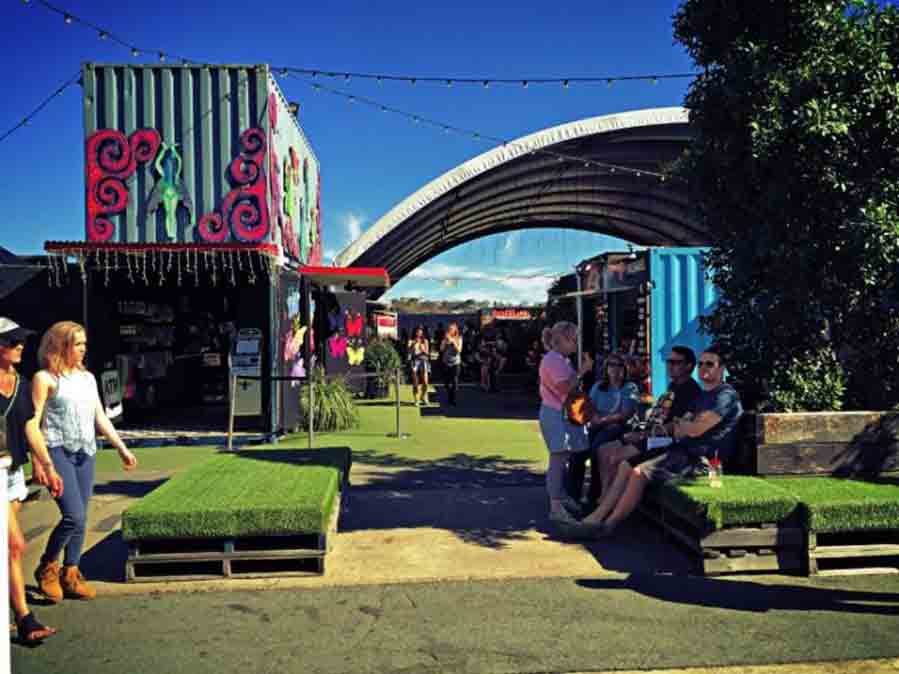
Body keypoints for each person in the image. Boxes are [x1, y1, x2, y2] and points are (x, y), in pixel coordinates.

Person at [575, 346, 742, 537]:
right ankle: (598, 516)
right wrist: (685, 424)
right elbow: (682, 426)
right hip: (682, 452)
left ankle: (607, 525)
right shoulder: (704, 395)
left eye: (710, 364)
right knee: (624, 465)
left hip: (706, 463)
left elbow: (694, 430)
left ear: (722, 368)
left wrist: (685, 425)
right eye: (702, 363)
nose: (703, 368)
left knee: (637, 471)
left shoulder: (724, 395)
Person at [33, 321, 138, 602]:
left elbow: (100, 417)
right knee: (74, 515)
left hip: (86, 451)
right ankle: (47, 566)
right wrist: (39, 463)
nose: (82, 349)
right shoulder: (45, 378)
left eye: (84, 345)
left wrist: (121, 448)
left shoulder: (88, 378)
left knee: (82, 517)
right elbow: (34, 422)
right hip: (57, 450)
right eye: (77, 344)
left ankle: (71, 573)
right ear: (60, 345)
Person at [0, 318, 63, 644]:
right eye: (12, 342)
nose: (20, 346)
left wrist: (47, 465)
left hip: (12, 473)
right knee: (13, 545)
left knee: (5, 550)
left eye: (21, 341)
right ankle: (24, 618)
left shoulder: (20, 384)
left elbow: (29, 428)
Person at [596, 345, 702, 497]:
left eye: (675, 362)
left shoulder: (691, 391)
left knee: (614, 457)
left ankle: (611, 500)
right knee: (603, 450)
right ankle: (605, 496)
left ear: (688, 366)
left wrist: (643, 434)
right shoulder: (674, 385)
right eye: (668, 361)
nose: (669, 366)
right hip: (650, 433)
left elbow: (676, 425)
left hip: (663, 441)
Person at [537, 322, 594, 526]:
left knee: (562, 458)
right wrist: (583, 371)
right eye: (574, 338)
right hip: (556, 415)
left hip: (558, 414)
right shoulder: (554, 360)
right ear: (563, 340)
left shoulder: (559, 359)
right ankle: (556, 506)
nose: (576, 343)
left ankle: (560, 499)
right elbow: (565, 388)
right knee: (558, 460)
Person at [566, 352, 639, 507]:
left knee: (596, 449)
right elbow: (589, 408)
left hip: (618, 427)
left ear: (624, 368)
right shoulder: (598, 386)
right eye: (611, 365)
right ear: (606, 368)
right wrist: (595, 420)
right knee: (578, 449)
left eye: (619, 365)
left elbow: (625, 414)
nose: (615, 368)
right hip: (597, 424)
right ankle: (572, 496)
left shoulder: (629, 387)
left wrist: (602, 420)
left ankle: (594, 495)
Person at [440, 323, 463, 406]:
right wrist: (445, 342)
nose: (449, 330)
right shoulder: (445, 339)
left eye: (451, 329)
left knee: (454, 381)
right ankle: (450, 395)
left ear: (455, 330)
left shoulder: (459, 338)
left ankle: (453, 399)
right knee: (446, 382)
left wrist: (453, 342)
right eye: (449, 329)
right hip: (446, 362)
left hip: (455, 362)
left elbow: (459, 350)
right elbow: (441, 349)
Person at [407, 326, 431, 406]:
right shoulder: (411, 341)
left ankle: (423, 396)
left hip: (423, 360)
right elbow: (408, 351)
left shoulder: (425, 341)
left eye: (420, 331)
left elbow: (428, 353)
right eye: (417, 331)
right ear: (415, 332)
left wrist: (423, 349)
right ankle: (416, 399)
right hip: (415, 361)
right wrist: (413, 344)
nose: (419, 333)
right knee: (415, 382)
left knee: (425, 382)